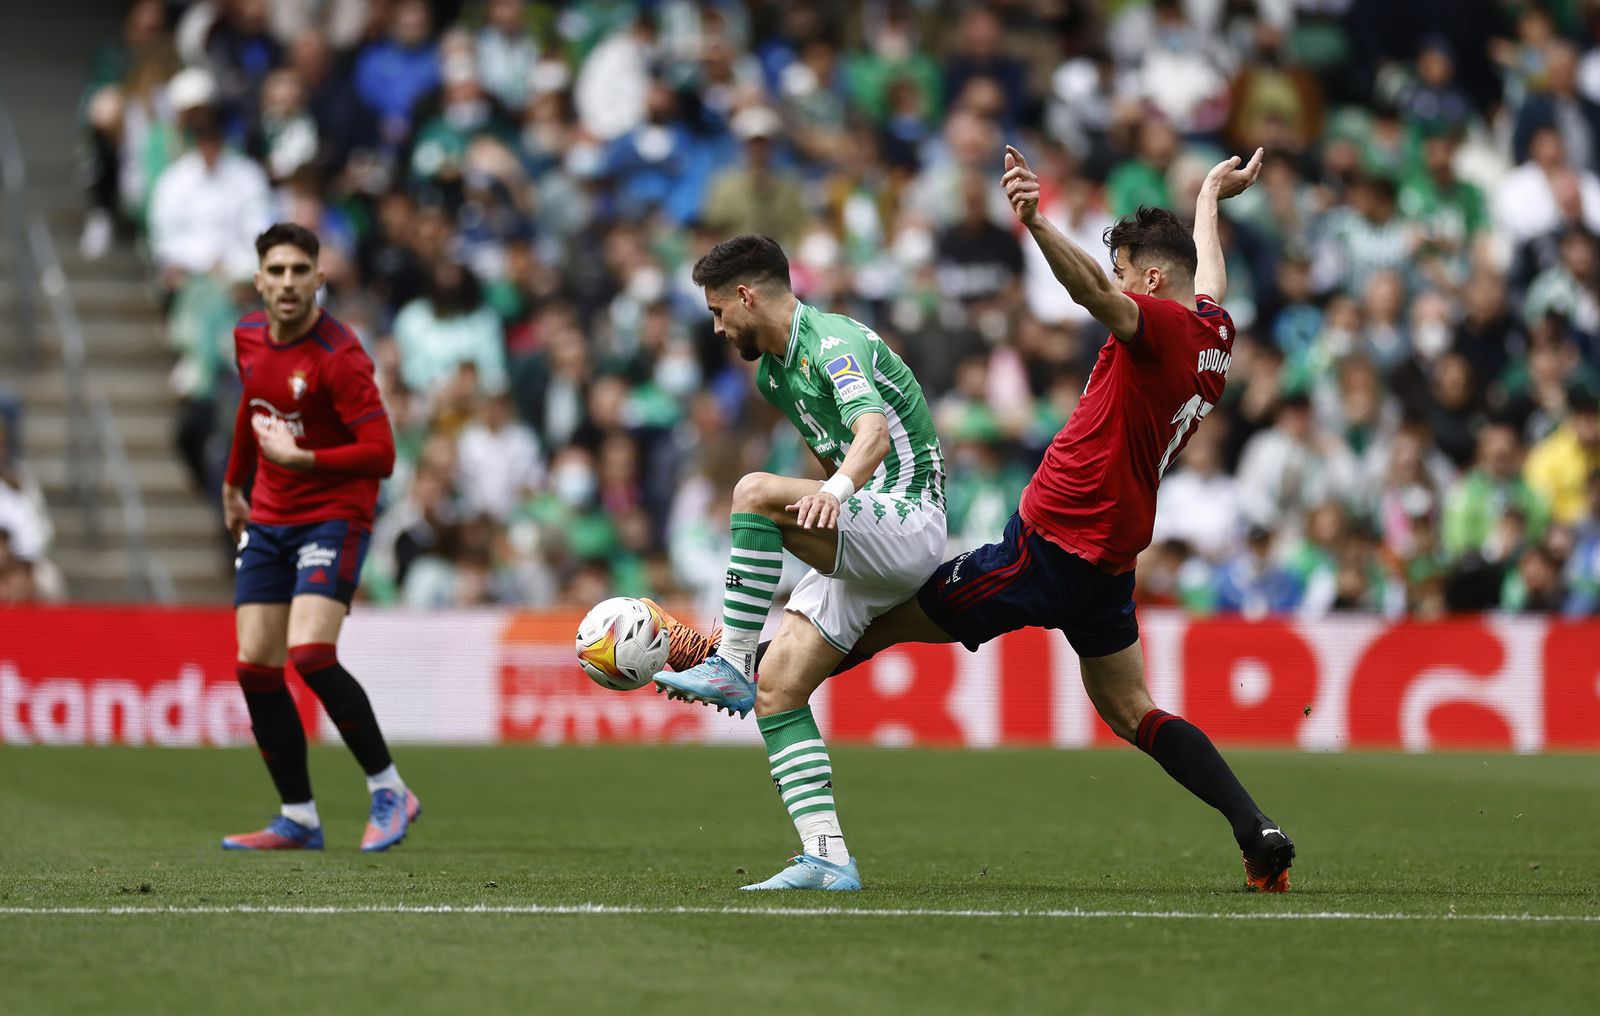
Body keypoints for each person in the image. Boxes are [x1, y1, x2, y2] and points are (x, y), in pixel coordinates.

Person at [660, 147, 1298, 893]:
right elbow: (1207, 281)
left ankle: (747, 661)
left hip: (1045, 548)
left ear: (1151, 282)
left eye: (1130, 273)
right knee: (1132, 711)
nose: (1122, 283)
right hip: (1110, 564)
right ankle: (1256, 828)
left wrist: (1034, 223)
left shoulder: (1152, 325)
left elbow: (1093, 290)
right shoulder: (1213, 336)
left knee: (892, 618)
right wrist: (1210, 199)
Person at [652, 234, 947, 892]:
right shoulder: (773, 374)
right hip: (862, 532)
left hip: (907, 517)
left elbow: (869, 434)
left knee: (754, 491)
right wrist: (828, 502)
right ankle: (828, 856)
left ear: (746, 296)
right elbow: (832, 449)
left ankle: (729, 659)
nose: (720, 328)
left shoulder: (832, 343)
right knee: (779, 689)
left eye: (717, 311)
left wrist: (835, 494)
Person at [220, 223, 419, 852]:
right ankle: (299, 817)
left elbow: (382, 454)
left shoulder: (340, 355)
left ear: (318, 279)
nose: (286, 283)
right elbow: (253, 407)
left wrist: (305, 460)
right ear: (259, 280)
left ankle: (390, 788)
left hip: (333, 513)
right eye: (275, 271)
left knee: (309, 655)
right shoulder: (247, 335)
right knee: (255, 666)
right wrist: (234, 482)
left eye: (298, 271)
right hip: (271, 517)